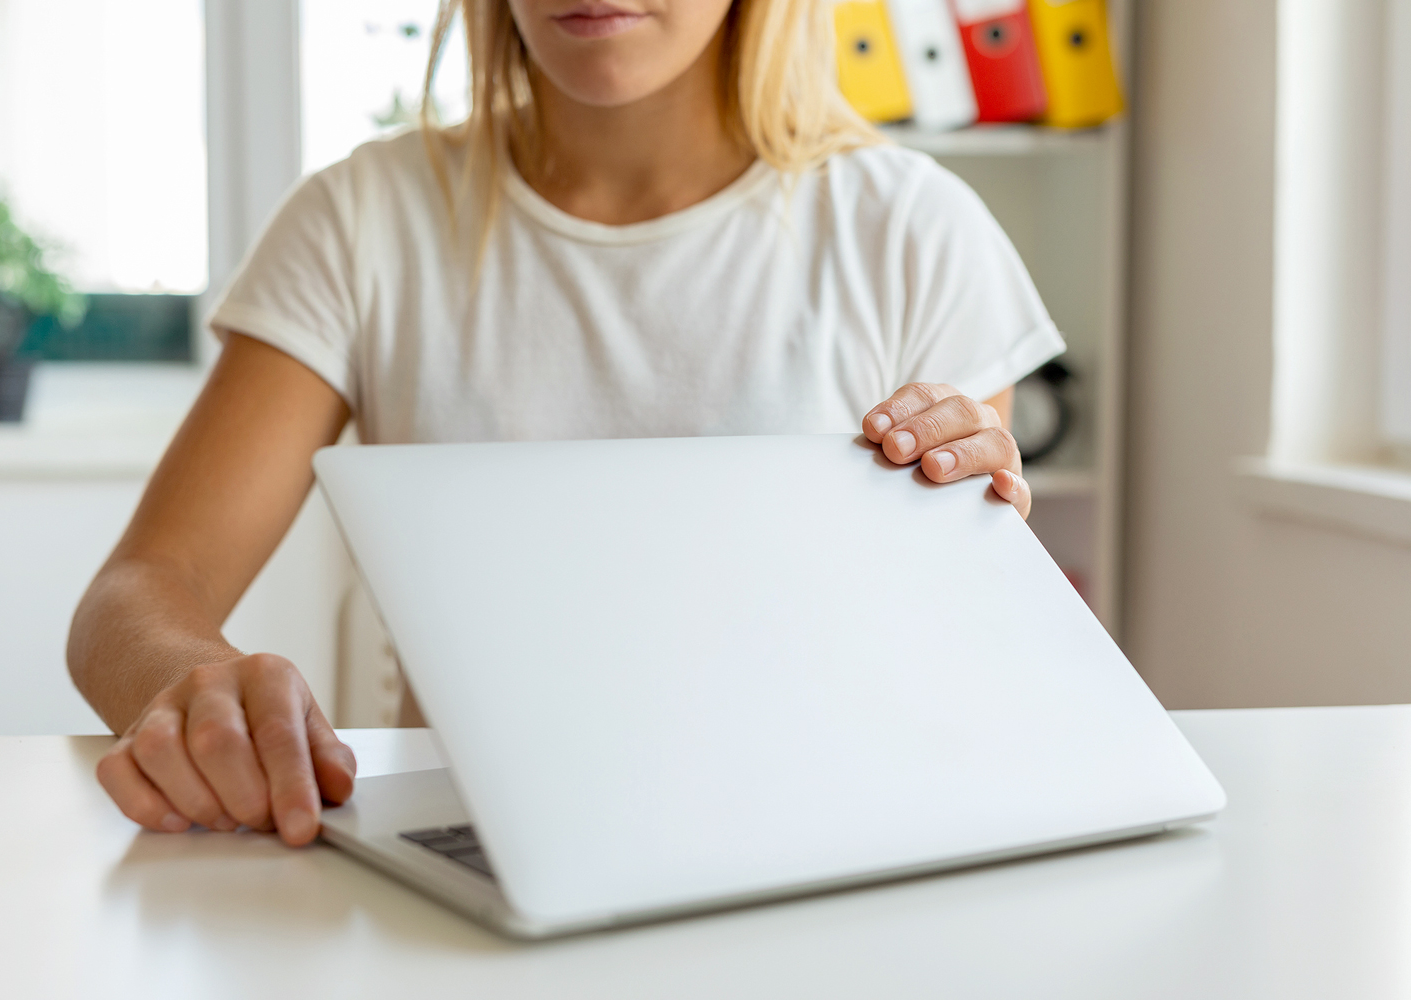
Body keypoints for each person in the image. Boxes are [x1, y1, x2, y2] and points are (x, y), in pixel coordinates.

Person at [69, 0, 1064, 847]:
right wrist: (192, 681)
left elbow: (952, 682)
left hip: (815, 837)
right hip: (482, 861)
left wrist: (976, 558)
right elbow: (139, 589)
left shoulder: (914, 233)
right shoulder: (362, 218)